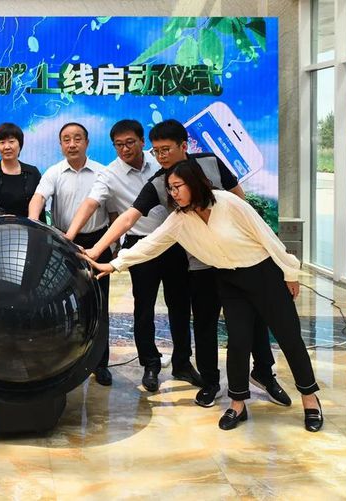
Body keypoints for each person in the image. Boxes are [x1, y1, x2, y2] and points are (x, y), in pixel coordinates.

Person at [87, 159, 323, 432]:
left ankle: (310, 399)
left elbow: (266, 235)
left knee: (289, 337)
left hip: (263, 273)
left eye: (177, 186)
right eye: (170, 188)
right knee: (238, 342)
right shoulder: (179, 219)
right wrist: (114, 264)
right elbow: (150, 245)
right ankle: (237, 404)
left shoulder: (228, 203)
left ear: (195, 183)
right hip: (229, 280)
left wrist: (290, 272)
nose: (173, 193)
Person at [82, 119, 290, 408]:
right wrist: (97, 250)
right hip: (201, 266)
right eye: (156, 151)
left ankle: (264, 373)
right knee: (204, 322)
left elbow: (240, 200)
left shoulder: (211, 163)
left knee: (253, 319)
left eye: (166, 149)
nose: (161, 156)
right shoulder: (160, 184)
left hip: (238, 261)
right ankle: (211, 382)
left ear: (184, 146)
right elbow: (129, 217)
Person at [64, 119, 199, 393]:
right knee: (143, 307)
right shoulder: (110, 174)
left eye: (130, 143)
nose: (125, 149)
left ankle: (183, 363)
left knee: (180, 305)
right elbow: (90, 204)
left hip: (175, 242)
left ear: (142, 142)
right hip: (140, 245)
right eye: (119, 145)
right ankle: (150, 364)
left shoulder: (160, 161)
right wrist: (69, 237)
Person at [28, 122, 113, 386]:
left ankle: (100, 363)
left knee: (99, 304)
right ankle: (66, 360)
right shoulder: (54, 172)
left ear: (87, 142)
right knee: (62, 303)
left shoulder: (103, 172)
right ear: (60, 145)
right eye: (66, 139)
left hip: (96, 242)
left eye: (77, 139)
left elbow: (112, 211)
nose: (72, 144)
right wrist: (33, 223)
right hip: (63, 241)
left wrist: (114, 245)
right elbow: (39, 198)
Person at [0, 122, 44, 221]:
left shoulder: (33, 173)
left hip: (27, 227)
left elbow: (39, 203)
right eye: (2, 142)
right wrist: (3, 217)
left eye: (11, 141)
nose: (7, 147)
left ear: (20, 145)